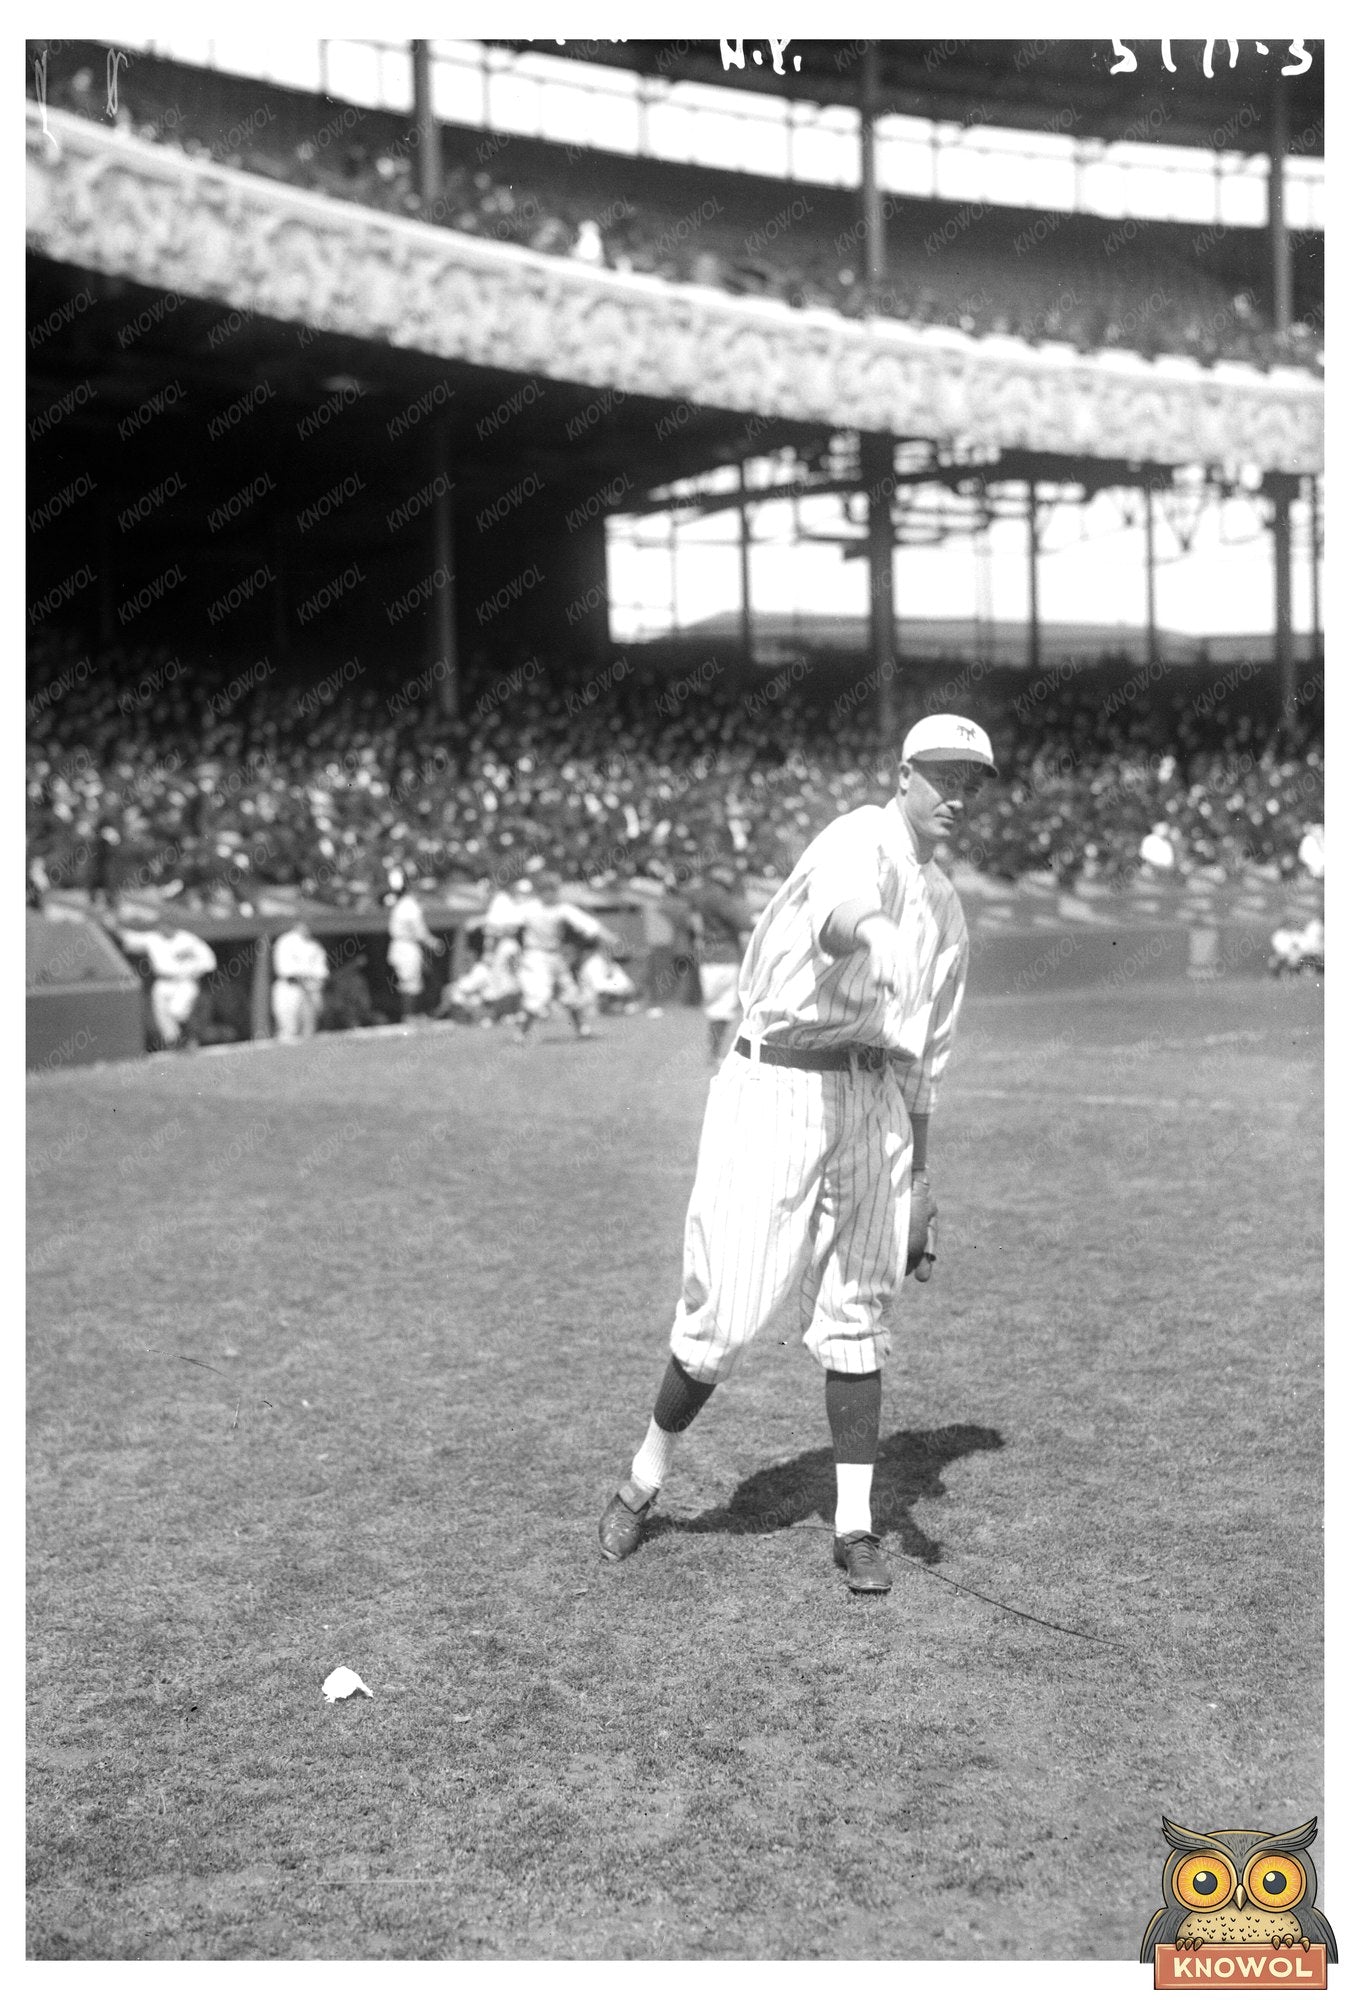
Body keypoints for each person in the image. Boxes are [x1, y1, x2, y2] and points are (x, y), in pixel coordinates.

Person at [598, 714, 996, 1594]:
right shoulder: (859, 834)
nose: (957, 794)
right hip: (777, 1083)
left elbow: (928, 1061)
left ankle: (855, 1528)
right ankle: (644, 1477)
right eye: (942, 774)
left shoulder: (948, 912)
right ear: (903, 775)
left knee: (859, 1311)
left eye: (973, 779)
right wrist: (877, 934)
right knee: (725, 1316)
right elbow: (837, 914)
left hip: (874, 1099)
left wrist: (921, 1173)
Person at [515, 871, 607, 1043]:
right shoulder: (528, 908)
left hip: (556, 955)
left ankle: (582, 1029)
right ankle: (522, 1033)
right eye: (546, 889)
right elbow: (503, 919)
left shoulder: (561, 908)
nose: (550, 893)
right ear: (540, 891)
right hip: (535, 956)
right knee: (538, 996)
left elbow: (586, 923)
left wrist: (606, 935)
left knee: (570, 994)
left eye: (553, 889)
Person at [683, 858, 755, 1063]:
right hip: (723, 954)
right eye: (726, 870)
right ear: (715, 872)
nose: (731, 874)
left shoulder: (701, 893)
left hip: (710, 954)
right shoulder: (719, 895)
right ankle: (714, 1054)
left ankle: (714, 1052)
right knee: (722, 1008)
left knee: (719, 1007)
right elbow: (743, 921)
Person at [117, 916, 218, 1051]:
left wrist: (195, 970)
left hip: (184, 982)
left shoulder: (188, 939)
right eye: (161, 925)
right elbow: (130, 938)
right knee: (164, 1021)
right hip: (162, 982)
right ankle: (175, 1047)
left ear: (173, 925)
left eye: (167, 925)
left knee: (177, 1011)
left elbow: (209, 961)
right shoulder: (153, 938)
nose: (163, 928)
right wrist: (114, 926)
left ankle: (191, 1038)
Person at [386, 872, 444, 1021]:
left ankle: (412, 1015)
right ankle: (409, 1016)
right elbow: (420, 933)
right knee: (410, 984)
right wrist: (434, 943)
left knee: (414, 982)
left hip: (405, 946)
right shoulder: (409, 906)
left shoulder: (406, 904)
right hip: (405, 947)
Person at [270, 921, 329, 1041]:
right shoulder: (285, 941)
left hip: (310, 988)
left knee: (309, 1030)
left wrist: (313, 984)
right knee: (288, 1029)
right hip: (289, 987)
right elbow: (284, 969)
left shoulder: (315, 945)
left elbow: (322, 972)